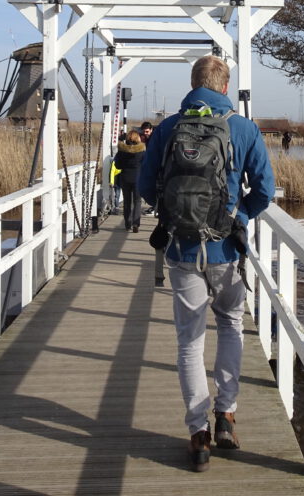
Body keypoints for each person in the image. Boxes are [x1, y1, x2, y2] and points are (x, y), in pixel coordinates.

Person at [138, 55, 275, 472]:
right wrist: (240, 216)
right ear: (225, 86)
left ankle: (198, 435)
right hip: (226, 252)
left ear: (193, 82)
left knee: (189, 342)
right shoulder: (244, 128)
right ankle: (226, 416)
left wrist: (174, 212)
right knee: (231, 325)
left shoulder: (167, 128)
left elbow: (146, 188)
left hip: (181, 251)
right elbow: (265, 190)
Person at [112, 129, 145, 233]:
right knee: (137, 201)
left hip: (125, 178)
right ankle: (136, 223)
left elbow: (117, 165)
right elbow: (146, 164)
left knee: (127, 201)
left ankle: (127, 224)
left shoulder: (122, 151)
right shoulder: (142, 151)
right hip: (138, 178)